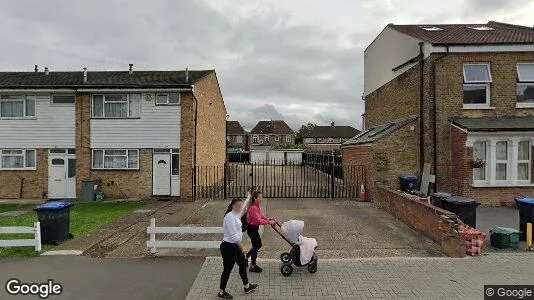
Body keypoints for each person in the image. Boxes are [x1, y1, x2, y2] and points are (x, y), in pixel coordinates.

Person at [218, 198, 258, 300]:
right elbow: (233, 235)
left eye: (241, 206)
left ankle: (247, 286)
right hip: (228, 247)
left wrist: (249, 198)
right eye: (238, 206)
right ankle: (221, 292)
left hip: (233, 246)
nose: (241, 208)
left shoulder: (236, 214)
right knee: (227, 270)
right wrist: (242, 247)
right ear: (233, 206)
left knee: (243, 264)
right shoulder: (229, 217)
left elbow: (243, 208)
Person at [246, 190, 276, 273]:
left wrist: (267, 219)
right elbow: (258, 220)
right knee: (256, 247)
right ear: (255, 198)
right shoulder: (253, 208)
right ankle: (253, 266)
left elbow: (260, 215)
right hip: (252, 229)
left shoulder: (256, 205)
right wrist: (269, 222)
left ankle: (245, 258)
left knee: (258, 245)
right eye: (260, 197)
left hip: (254, 229)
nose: (261, 199)